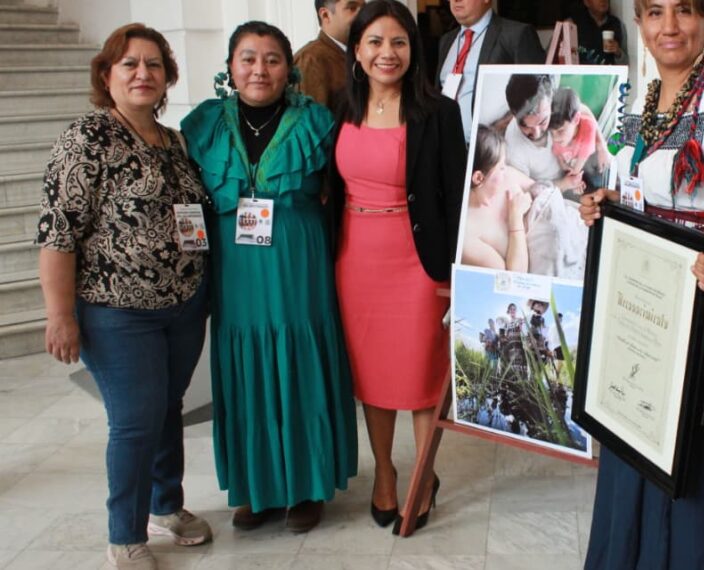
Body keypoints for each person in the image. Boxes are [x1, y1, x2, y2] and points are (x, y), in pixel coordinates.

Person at [579, 0, 704, 567]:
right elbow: (651, 197)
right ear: (639, 24)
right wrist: (610, 208)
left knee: (696, 470)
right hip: (648, 307)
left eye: (686, 11)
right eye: (655, 12)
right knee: (637, 435)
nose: (670, 26)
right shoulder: (640, 102)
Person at [36, 23, 211, 569]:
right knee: (135, 418)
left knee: (166, 409)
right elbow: (58, 233)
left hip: (182, 305)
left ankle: (166, 504)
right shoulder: (86, 139)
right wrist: (60, 315)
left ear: (167, 78)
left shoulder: (173, 140)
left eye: (154, 65)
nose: (143, 73)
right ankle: (125, 533)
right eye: (130, 64)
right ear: (107, 75)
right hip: (117, 311)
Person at [180, 20, 358, 534]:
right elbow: (187, 203)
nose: (260, 69)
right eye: (248, 58)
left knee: (300, 364)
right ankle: (257, 487)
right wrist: (195, 266)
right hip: (235, 275)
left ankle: (306, 484)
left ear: (290, 68)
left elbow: (343, 195)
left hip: (299, 267)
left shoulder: (318, 122)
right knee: (245, 372)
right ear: (231, 67)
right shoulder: (202, 125)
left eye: (272, 58)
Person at [328, 0, 465, 533]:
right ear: (357, 51)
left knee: (421, 376)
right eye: (376, 42)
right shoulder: (341, 107)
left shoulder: (439, 111)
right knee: (373, 376)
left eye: (399, 42)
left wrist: (452, 274)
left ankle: (423, 473)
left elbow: (455, 199)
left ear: (414, 49)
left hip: (416, 263)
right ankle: (384, 473)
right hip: (355, 261)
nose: (388, 53)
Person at [437, 0, 545, 140]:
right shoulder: (446, 40)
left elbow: (535, 97)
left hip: (485, 150)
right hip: (447, 148)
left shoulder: (516, 35)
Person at [462, 125, 533, 272]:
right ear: (478, 177)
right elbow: (513, 279)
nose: (505, 170)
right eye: (501, 167)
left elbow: (545, 192)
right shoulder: (467, 236)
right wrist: (515, 218)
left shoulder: (507, 176)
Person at [294, 0, 364, 107]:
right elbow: (314, 120)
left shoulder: (365, 54)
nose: (363, 15)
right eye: (352, 8)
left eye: (364, 8)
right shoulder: (311, 59)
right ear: (325, 15)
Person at [549, 87, 606, 192]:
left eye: (561, 131)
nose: (555, 138)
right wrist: (564, 166)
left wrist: (574, 180)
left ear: (576, 119)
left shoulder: (589, 127)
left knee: (596, 182)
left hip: (584, 160)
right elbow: (558, 154)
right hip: (571, 161)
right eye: (552, 133)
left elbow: (581, 163)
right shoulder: (556, 133)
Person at [566, 0, 627, 65]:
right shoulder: (573, 24)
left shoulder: (617, 24)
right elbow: (566, 55)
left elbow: (626, 63)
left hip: (608, 73)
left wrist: (618, 52)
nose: (603, 1)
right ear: (587, 2)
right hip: (581, 73)